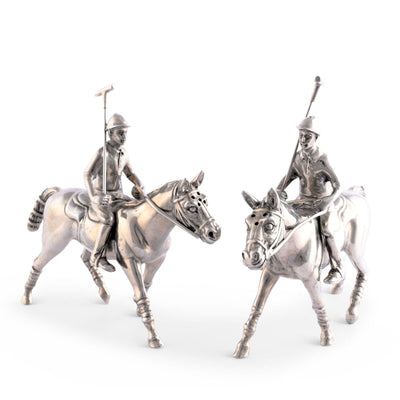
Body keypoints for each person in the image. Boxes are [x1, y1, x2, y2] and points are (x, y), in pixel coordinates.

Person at [277, 116, 343, 284]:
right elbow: (289, 177)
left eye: (308, 136)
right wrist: (279, 189)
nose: (303, 140)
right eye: (301, 136)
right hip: (302, 201)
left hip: (321, 203)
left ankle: (337, 267)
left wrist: (327, 201)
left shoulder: (322, 159)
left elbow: (338, 186)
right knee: (282, 217)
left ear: (316, 138)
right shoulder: (297, 157)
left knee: (326, 229)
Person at [84, 113, 143, 272]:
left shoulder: (124, 153)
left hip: (119, 196)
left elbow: (130, 173)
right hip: (103, 197)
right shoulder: (102, 153)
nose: (124, 136)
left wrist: (139, 184)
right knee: (108, 219)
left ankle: (130, 247)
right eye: (120, 133)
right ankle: (97, 256)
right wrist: (94, 197)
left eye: (125, 133)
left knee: (137, 210)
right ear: (110, 133)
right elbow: (87, 174)